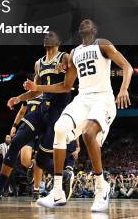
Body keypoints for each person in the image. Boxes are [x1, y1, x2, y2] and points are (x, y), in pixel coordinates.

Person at [24, 18, 132, 212]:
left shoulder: (102, 44)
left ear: (94, 29)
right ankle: (57, 192)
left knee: (88, 133)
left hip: (103, 99)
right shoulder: (74, 53)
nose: (85, 23)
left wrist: (123, 89)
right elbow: (65, 86)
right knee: (59, 129)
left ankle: (101, 188)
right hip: (83, 99)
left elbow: (127, 66)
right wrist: (37, 87)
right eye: (82, 23)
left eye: (89, 22)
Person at [0, 31, 72, 208]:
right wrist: (19, 98)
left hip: (57, 112)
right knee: (15, 143)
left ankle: (64, 175)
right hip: (42, 109)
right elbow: (36, 91)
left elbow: (66, 87)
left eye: (51, 35)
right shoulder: (38, 64)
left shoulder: (65, 57)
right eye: (45, 35)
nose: (47, 37)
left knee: (42, 161)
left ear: (59, 42)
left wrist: (38, 86)